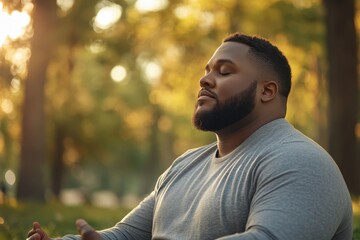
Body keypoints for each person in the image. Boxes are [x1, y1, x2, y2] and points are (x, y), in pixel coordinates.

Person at [27, 33, 353, 240]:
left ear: (268, 91)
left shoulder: (300, 163)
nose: (205, 79)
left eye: (224, 72)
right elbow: (123, 235)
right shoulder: (185, 165)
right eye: (207, 70)